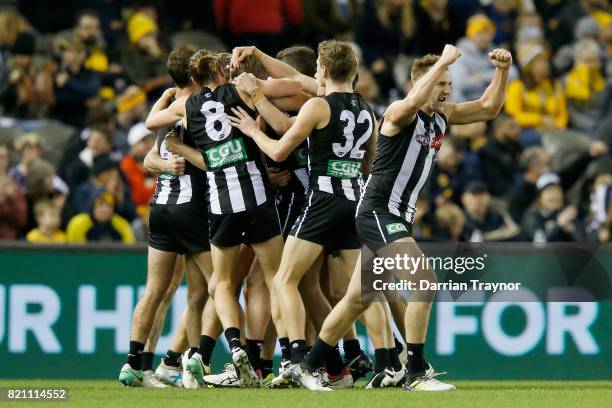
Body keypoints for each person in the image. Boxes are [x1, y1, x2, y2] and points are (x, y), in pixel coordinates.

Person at [289, 44, 513, 391]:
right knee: (424, 281)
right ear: (421, 84)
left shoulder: (443, 116)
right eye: (441, 84)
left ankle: (310, 364)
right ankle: (416, 372)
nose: (447, 90)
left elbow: (488, 107)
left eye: (449, 85)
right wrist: (441, 62)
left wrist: (502, 72)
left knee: (357, 300)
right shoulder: (397, 113)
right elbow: (411, 102)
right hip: (378, 210)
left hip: (397, 216)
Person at [229, 40, 379, 390]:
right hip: (355, 200)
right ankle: (360, 361)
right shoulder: (367, 110)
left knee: (283, 281)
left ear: (324, 71)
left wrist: (252, 129)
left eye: (317, 70)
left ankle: (300, 361)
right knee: (352, 291)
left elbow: (281, 144)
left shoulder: (318, 105)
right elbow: (368, 164)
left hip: (323, 199)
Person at [145, 49, 287, 388]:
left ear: (194, 80)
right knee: (277, 280)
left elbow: (152, 123)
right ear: (224, 72)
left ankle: (234, 346)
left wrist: (166, 98)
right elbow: (291, 87)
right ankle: (291, 356)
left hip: (220, 203)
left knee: (221, 283)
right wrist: (254, 85)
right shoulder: (241, 90)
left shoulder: (187, 104)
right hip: (257, 195)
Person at [118, 44, 213, 389]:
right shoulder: (200, 107)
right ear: (195, 74)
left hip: (160, 209)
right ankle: (189, 365)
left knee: (156, 289)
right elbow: (208, 161)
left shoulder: (170, 108)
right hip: (193, 209)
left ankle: (134, 365)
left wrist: (167, 161)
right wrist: (179, 157)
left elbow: (150, 159)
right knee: (213, 290)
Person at [65, 191, 134, 243]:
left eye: (109, 206)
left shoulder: (122, 225)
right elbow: (74, 253)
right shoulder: (78, 224)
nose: (104, 210)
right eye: (100, 205)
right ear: (92, 207)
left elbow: (129, 251)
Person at [120, 122, 156, 211]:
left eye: (151, 139)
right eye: (144, 141)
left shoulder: (158, 157)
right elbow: (139, 196)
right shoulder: (127, 163)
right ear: (133, 146)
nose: (149, 144)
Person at [0, 143, 27, 240]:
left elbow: (21, 221)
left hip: (8, 242)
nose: (1, 162)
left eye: (3, 158)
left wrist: (12, 199)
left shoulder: (13, 187)